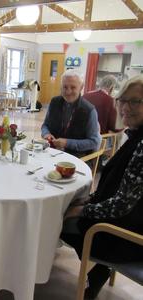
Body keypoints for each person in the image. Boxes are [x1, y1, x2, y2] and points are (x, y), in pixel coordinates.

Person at [61, 75, 143, 299]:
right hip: (127, 223)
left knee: (60, 221)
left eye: (135, 101)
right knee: (71, 205)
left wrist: (83, 209)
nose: (125, 107)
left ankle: (100, 267)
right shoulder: (135, 137)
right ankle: (100, 270)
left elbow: (122, 205)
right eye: (122, 99)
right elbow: (119, 189)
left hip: (126, 238)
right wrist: (88, 200)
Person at [41, 69, 101, 157]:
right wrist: (46, 133)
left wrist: (67, 143)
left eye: (73, 87)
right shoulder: (54, 102)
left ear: (81, 87)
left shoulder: (89, 110)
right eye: (65, 87)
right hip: (52, 152)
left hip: (76, 157)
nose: (68, 92)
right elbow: (45, 125)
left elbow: (94, 142)